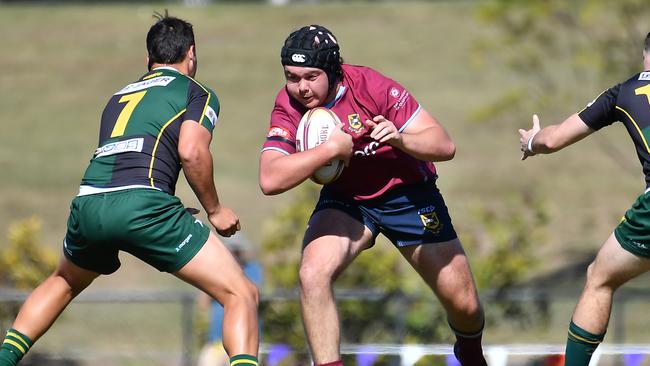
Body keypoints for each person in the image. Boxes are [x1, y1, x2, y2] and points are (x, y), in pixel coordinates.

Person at [0, 13, 259, 366]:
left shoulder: (118, 96)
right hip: (143, 205)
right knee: (240, 293)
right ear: (192, 54)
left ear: (147, 59)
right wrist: (215, 210)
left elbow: (126, 163)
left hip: (89, 204)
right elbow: (191, 151)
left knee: (63, 281)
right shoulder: (196, 92)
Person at [259, 24, 487, 366]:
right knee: (312, 274)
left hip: (407, 194)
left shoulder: (371, 87)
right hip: (347, 200)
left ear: (333, 71)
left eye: (311, 76)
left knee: (465, 307)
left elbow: (444, 145)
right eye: (292, 77)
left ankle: (469, 352)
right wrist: (330, 150)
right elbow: (270, 179)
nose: (301, 88)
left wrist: (400, 140)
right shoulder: (288, 104)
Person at [518, 32, 650, 366]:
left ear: (646, 54)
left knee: (600, 279)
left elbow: (554, 139)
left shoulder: (625, 92)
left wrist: (532, 141)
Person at [197, 233, 263, 366]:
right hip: (216, 342)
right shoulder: (215, 270)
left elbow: (254, 295)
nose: (234, 255)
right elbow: (203, 303)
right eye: (231, 251)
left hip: (245, 342)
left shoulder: (252, 269)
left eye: (237, 251)